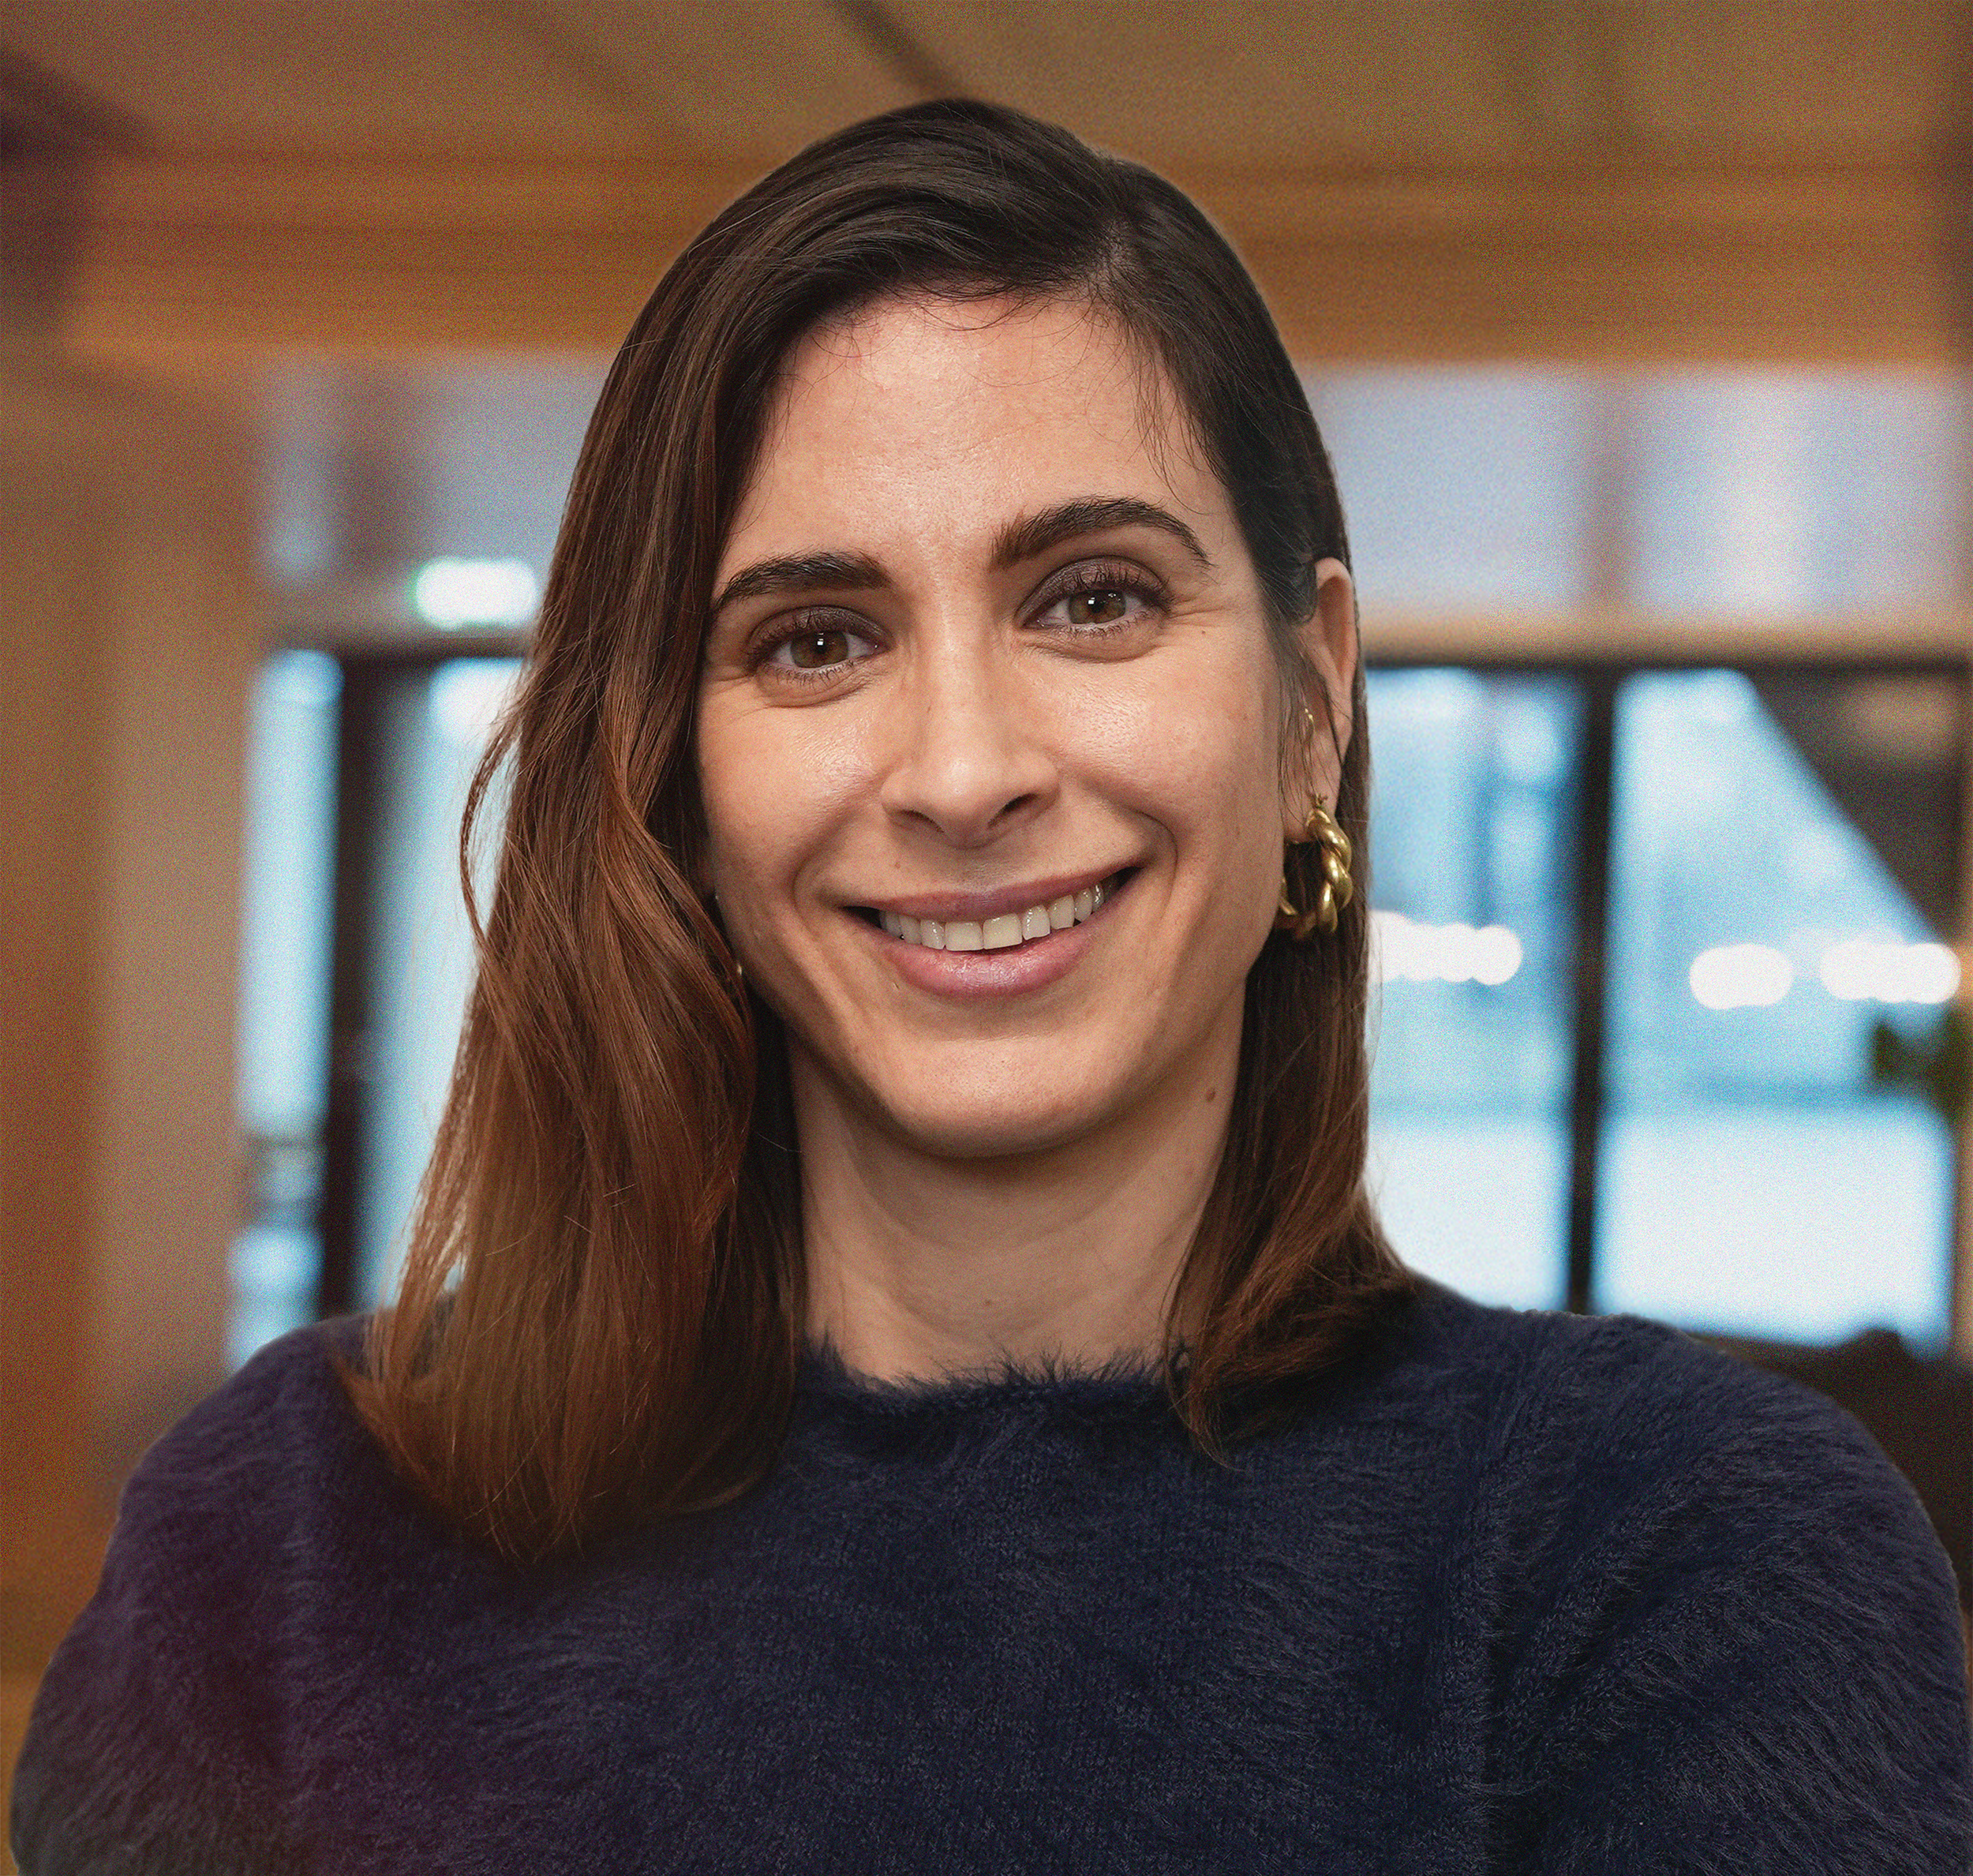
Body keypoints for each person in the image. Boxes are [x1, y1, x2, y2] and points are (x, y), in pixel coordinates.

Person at [12, 98, 1970, 1874]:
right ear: (673, 790)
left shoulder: (1673, 1565)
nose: (962, 772)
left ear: (1308, 708)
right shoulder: (283, 1548)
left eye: (1092, 598)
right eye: (813, 638)